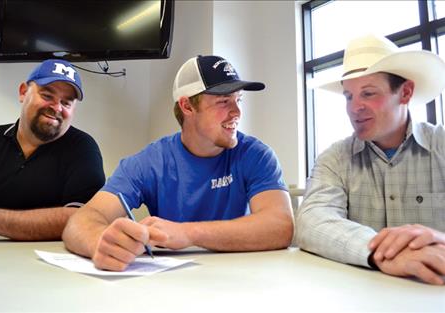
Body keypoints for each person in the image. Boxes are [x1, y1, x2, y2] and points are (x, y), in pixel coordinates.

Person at [63, 55, 294, 271]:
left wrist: (187, 233)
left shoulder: (256, 155)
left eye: (239, 100)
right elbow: (81, 221)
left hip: (239, 277)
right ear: (187, 106)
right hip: (168, 285)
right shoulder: (150, 162)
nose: (237, 112)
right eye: (224, 101)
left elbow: (280, 226)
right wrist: (101, 244)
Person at [295, 34, 445, 285]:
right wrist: (378, 251)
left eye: (368, 93)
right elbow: (311, 220)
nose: (355, 108)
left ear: (405, 92)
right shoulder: (335, 158)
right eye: (349, 96)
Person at [0, 59, 105, 240]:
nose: (56, 107)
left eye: (66, 102)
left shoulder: (83, 149)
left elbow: (84, 219)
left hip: (47, 264)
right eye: (47, 95)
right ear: (23, 92)